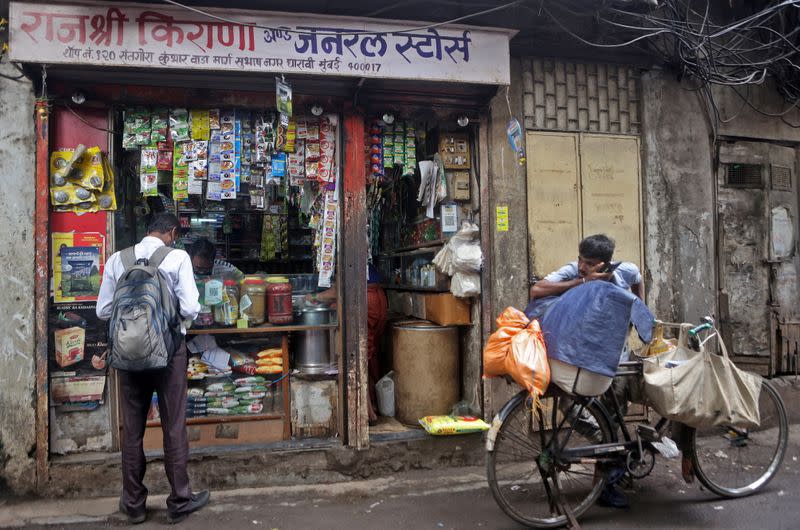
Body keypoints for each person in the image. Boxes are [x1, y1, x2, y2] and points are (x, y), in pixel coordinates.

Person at [96, 213, 209, 525]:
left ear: (146, 231)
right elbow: (190, 308)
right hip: (170, 352)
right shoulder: (178, 257)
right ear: (171, 232)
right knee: (173, 426)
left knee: (132, 429)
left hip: (128, 354)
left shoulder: (117, 260)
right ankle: (179, 501)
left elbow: (103, 310)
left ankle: (133, 504)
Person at [529, 234, 643, 509]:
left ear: (604, 264)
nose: (582, 264)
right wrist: (582, 281)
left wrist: (641, 309)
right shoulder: (573, 271)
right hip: (579, 357)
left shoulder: (623, 271)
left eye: (589, 263)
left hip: (613, 358)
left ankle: (605, 484)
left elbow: (638, 278)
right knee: (574, 408)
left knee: (615, 417)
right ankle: (608, 450)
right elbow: (537, 291)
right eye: (580, 258)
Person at [306, 263, 387, 424]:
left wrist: (313, 297)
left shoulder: (342, 249)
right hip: (379, 298)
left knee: (359, 355)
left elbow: (339, 290)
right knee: (370, 354)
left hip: (366, 299)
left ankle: (368, 413)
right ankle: (375, 405)